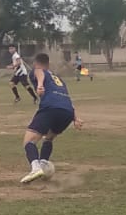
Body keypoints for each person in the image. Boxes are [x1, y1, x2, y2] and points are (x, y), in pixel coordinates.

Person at [20, 52, 83, 184]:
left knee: (29, 141)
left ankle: (36, 168)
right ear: (48, 65)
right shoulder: (59, 80)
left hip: (51, 108)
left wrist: (40, 85)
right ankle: (43, 165)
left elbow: (38, 72)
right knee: (49, 137)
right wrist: (75, 118)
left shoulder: (37, 70)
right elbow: (66, 97)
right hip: (67, 112)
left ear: (36, 63)